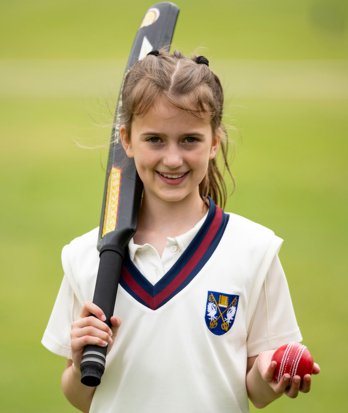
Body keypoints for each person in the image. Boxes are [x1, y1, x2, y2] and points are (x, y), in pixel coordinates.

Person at [42, 50, 320, 413]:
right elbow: (80, 396)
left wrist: (271, 374)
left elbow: (256, 391)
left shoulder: (254, 249)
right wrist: (80, 365)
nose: (172, 159)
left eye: (189, 140)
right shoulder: (85, 257)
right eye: (154, 139)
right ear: (126, 140)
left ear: (214, 142)